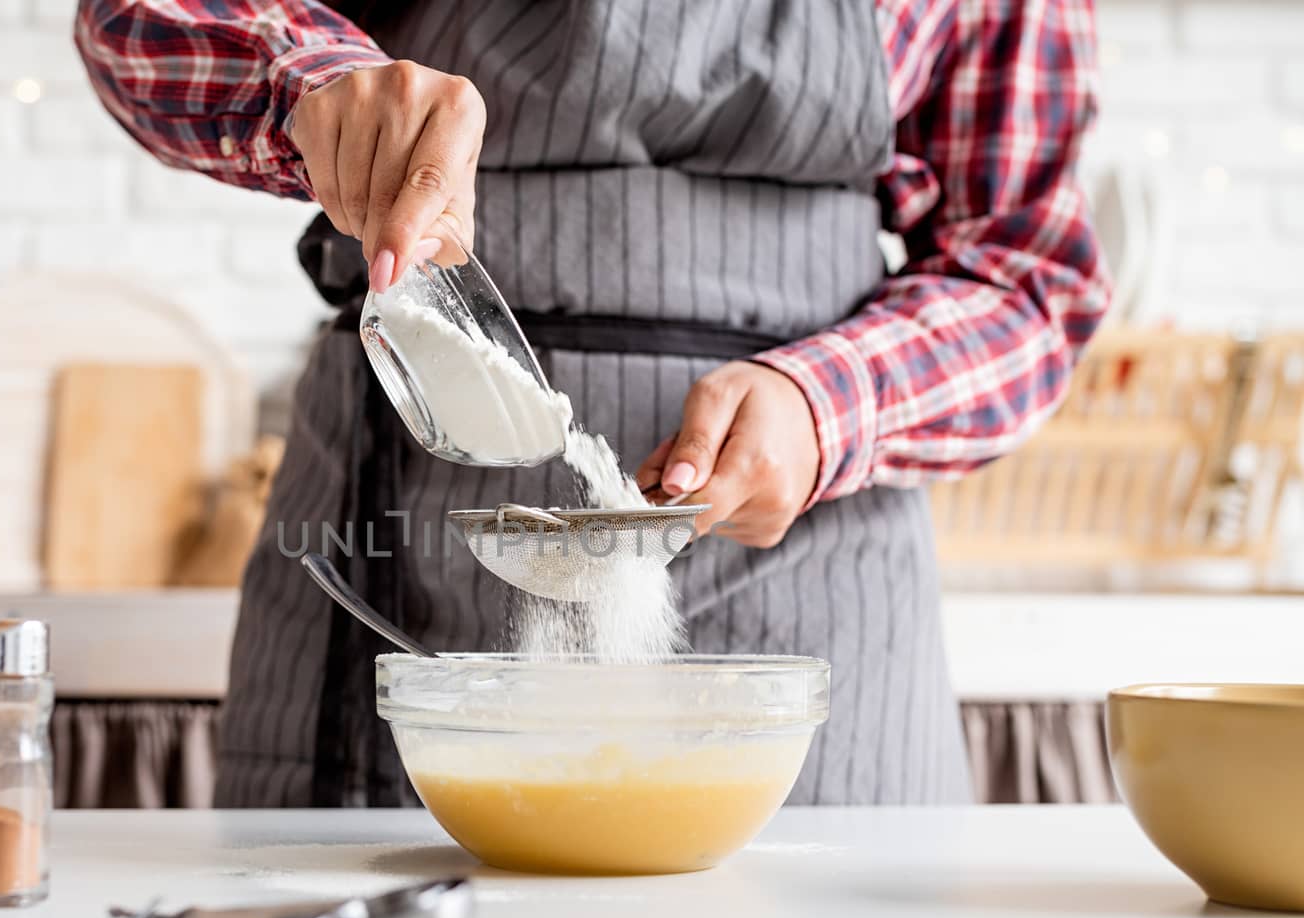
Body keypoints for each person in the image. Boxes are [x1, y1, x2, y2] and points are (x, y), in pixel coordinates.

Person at [76, 0, 1109, 807]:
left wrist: (826, 403)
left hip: (815, 571)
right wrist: (315, 84)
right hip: (389, 552)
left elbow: (1025, 274)